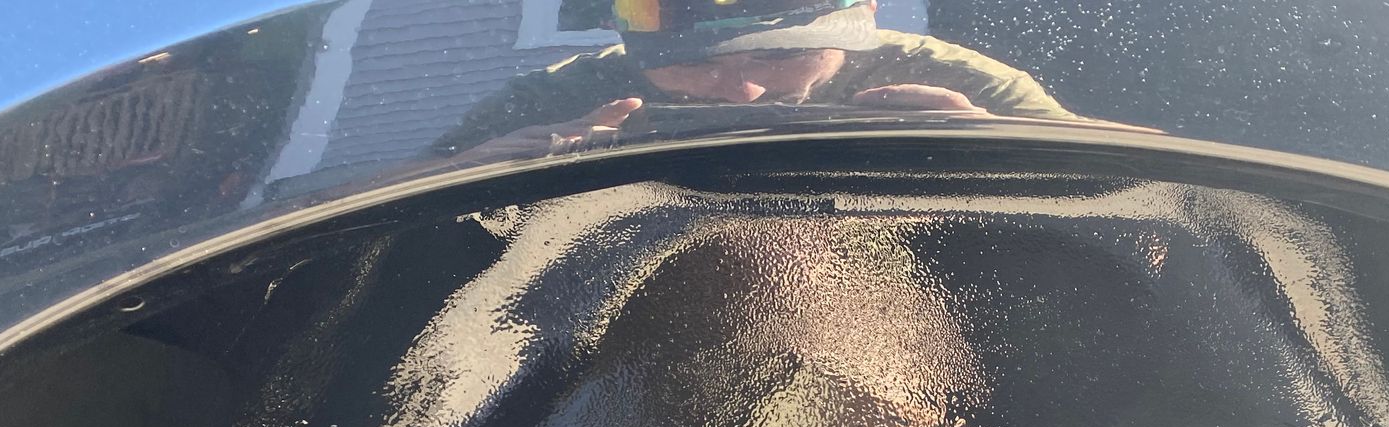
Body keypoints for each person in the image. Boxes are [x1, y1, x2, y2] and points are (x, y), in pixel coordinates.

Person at [438, 0, 1082, 164]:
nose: (739, 91)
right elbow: (352, 218)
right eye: (693, 61)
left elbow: (1160, 219)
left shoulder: (955, 83)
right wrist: (471, 172)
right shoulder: (559, 99)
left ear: (859, 23)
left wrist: (1005, 150)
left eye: (777, 58)